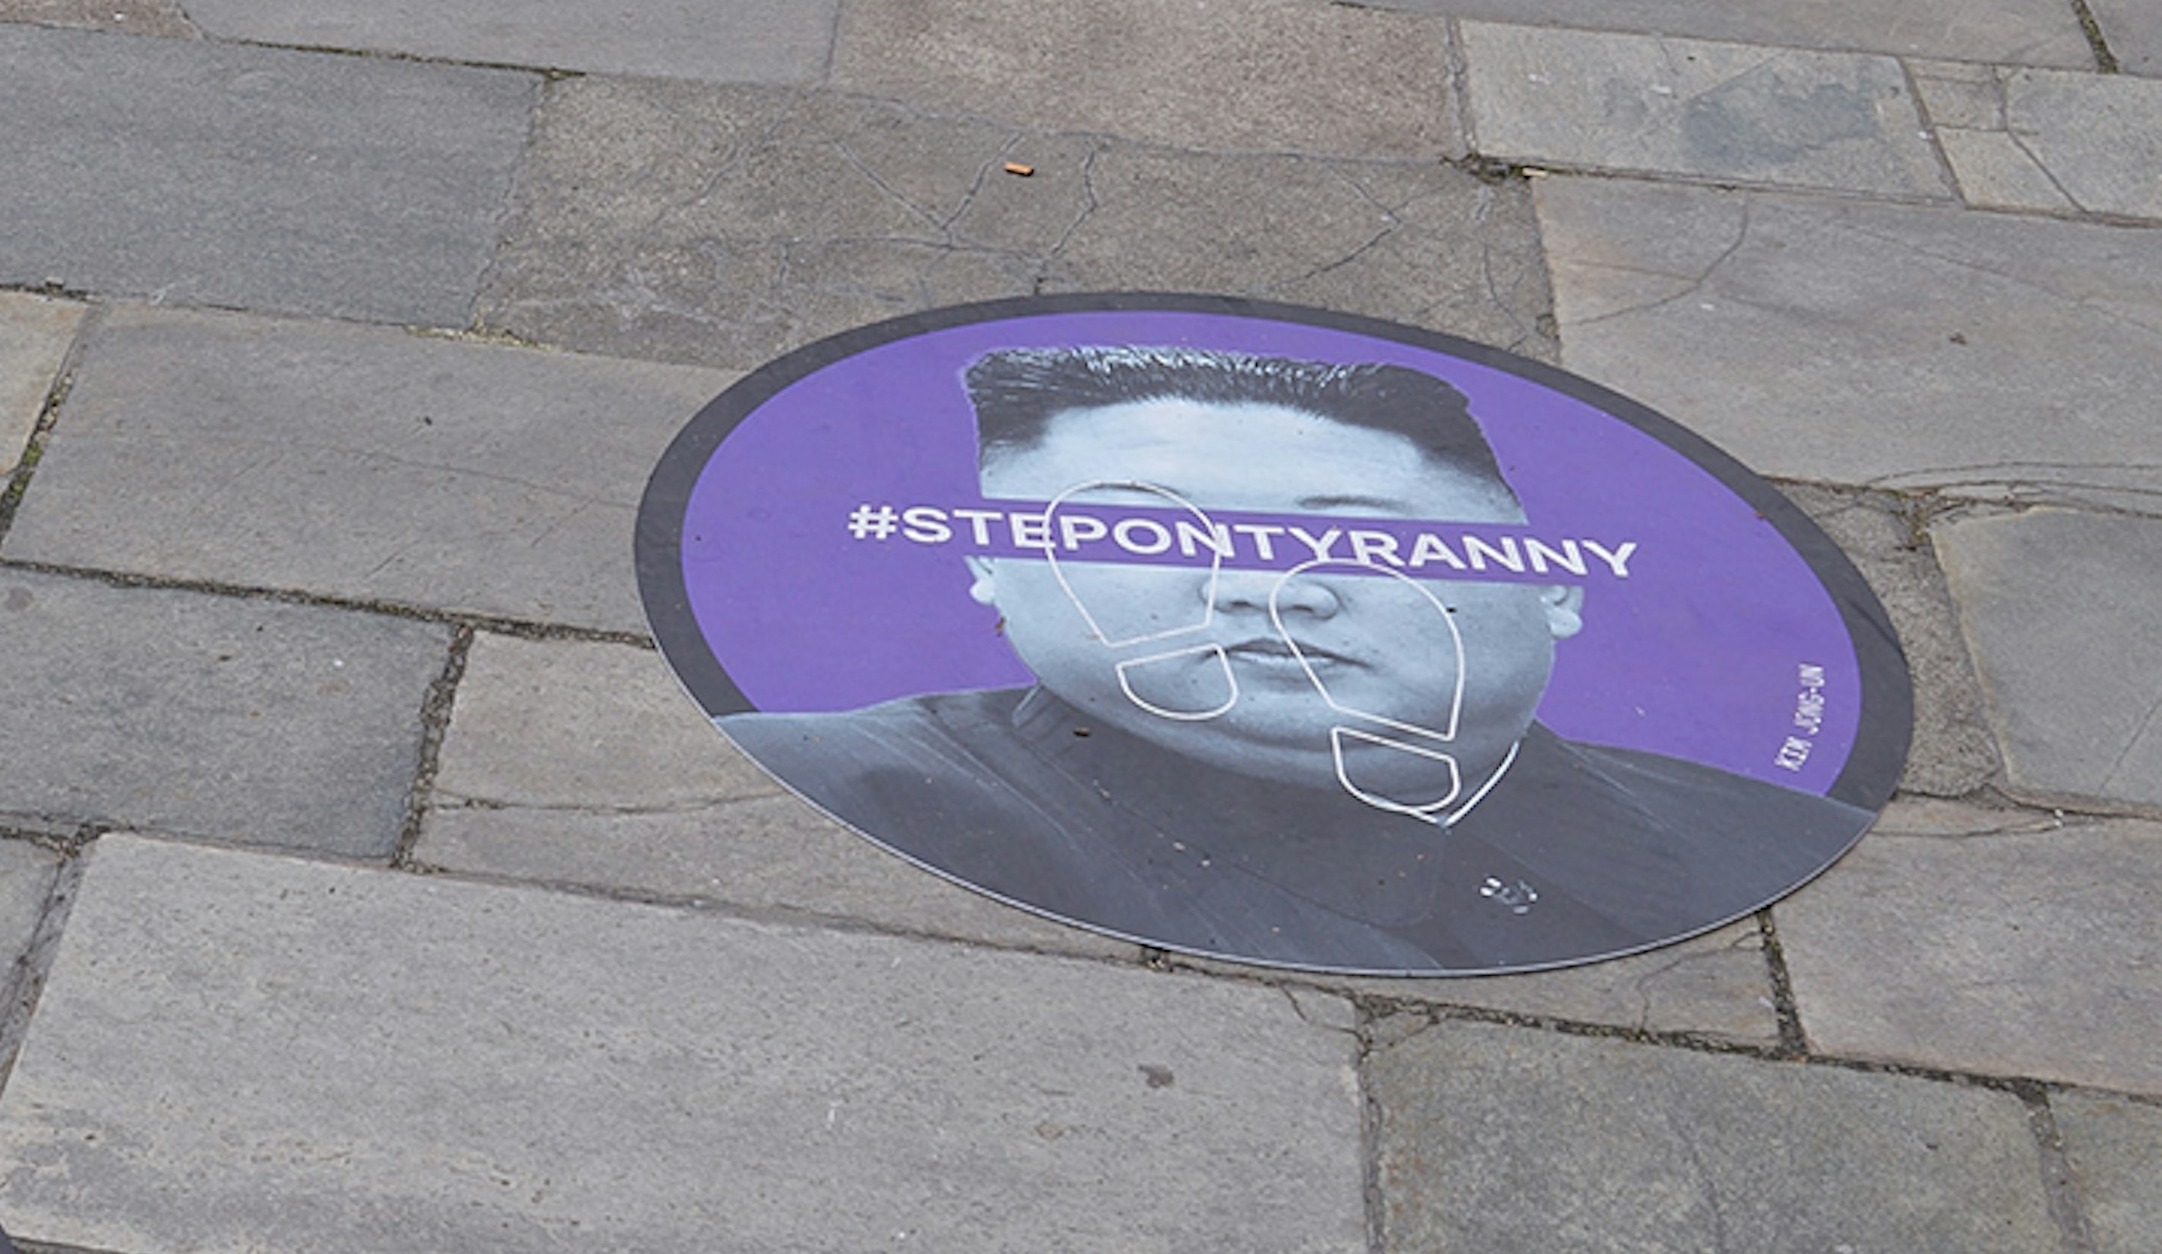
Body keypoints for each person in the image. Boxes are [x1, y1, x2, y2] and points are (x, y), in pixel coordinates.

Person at [720, 340, 1831, 977]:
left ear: (1555, 578)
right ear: (986, 569)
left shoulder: (1777, 831)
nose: (1266, 585)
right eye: (1139, 531)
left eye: (1364, 535)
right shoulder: (848, 785)